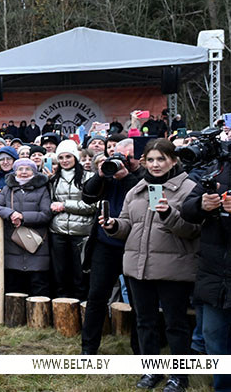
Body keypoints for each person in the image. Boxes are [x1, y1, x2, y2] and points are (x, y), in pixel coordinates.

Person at [101, 138, 198, 392]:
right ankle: (151, 369)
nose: (155, 165)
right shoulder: (137, 190)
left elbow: (192, 231)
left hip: (173, 269)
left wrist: (168, 214)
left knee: (175, 324)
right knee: (144, 322)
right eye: (151, 160)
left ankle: (180, 377)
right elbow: (126, 224)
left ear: (173, 160)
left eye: (161, 159)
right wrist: (113, 226)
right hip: (137, 267)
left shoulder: (188, 189)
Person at [80, 148, 143, 357]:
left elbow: (146, 199)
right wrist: (100, 174)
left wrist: (126, 176)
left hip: (134, 246)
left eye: (126, 157)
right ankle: (88, 348)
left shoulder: (144, 176)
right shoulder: (106, 175)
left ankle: (140, 349)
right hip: (105, 246)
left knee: (138, 302)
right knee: (96, 297)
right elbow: (87, 196)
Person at [181, 150, 231, 391]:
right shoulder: (219, 169)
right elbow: (187, 208)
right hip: (215, 274)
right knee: (214, 339)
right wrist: (202, 204)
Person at [0, 159, 52, 296]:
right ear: (15, 172)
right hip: (12, 245)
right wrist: (11, 214)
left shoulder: (42, 189)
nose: (24, 172)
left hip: (37, 245)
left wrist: (23, 217)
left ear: (34, 172)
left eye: (27, 169)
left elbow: (46, 214)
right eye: (20, 169)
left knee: (38, 288)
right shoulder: (8, 189)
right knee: (15, 290)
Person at [48, 140, 95, 299]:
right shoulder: (54, 180)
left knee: (80, 273)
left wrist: (65, 205)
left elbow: (93, 206)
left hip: (81, 232)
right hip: (58, 231)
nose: (64, 160)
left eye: (68, 156)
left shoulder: (89, 177)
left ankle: (81, 307)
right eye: (61, 157)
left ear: (75, 157)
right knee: (60, 273)